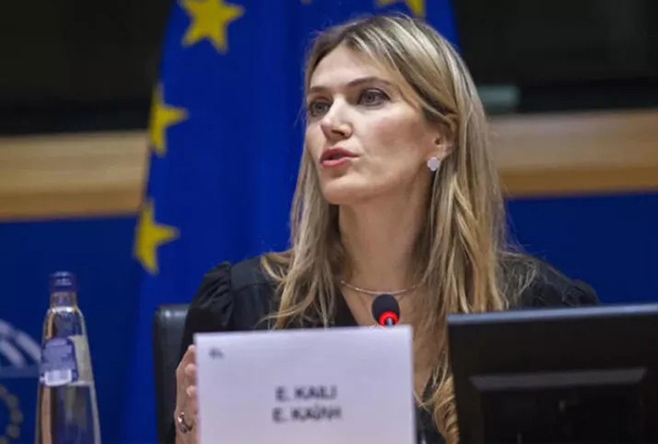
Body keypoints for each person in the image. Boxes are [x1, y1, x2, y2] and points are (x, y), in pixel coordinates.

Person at [171, 13, 598, 444]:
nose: (331, 122)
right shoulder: (247, 307)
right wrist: (189, 436)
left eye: (369, 97)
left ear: (441, 136)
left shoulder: (537, 310)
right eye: (319, 105)